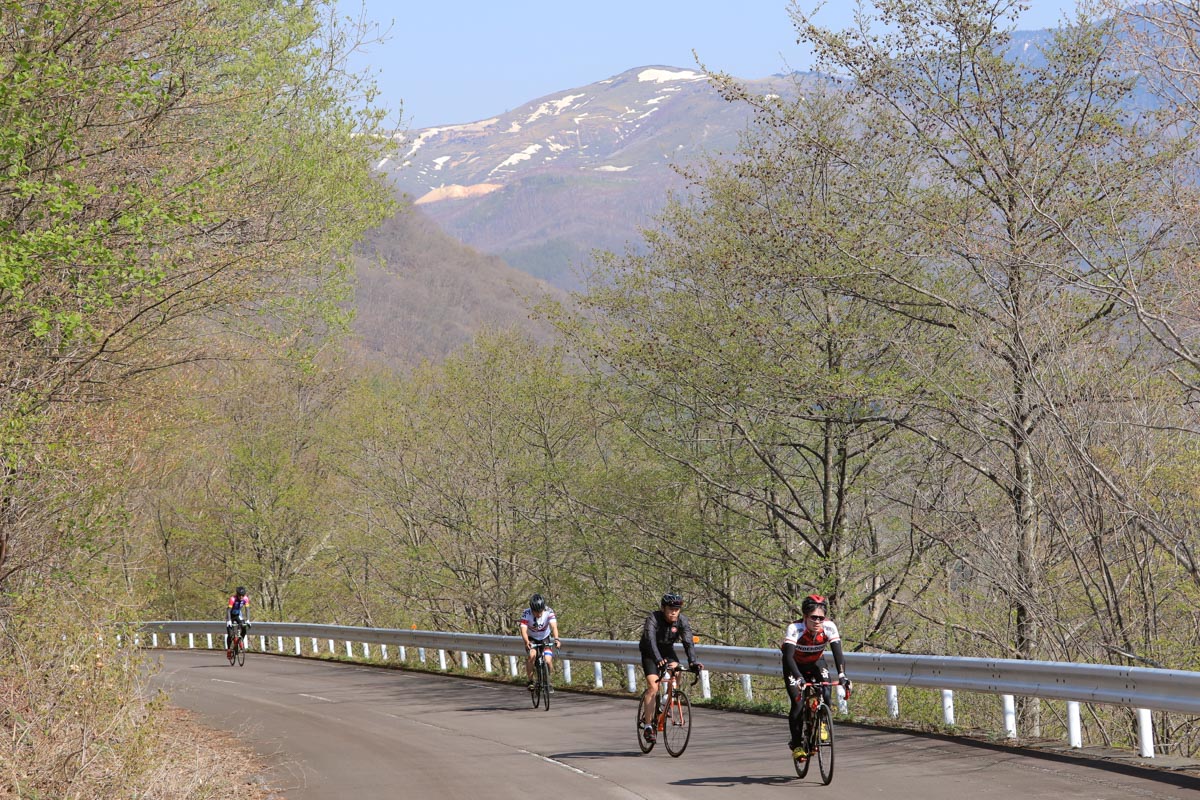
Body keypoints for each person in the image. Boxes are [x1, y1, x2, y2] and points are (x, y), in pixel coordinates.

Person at [781, 594, 851, 760]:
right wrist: (798, 678)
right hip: (794, 666)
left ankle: (822, 725)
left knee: (826, 691)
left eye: (821, 618)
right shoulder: (795, 628)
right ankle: (797, 745)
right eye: (813, 617)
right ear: (805, 616)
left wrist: (842, 675)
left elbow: (837, 653)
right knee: (798, 704)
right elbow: (788, 657)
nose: (818, 621)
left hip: (816, 662)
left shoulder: (829, 627)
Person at [638, 592, 703, 743]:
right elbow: (650, 640)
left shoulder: (682, 621)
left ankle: (666, 701)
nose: (674, 612)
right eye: (670, 609)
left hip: (667, 650)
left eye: (677, 609)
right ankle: (648, 727)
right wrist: (658, 659)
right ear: (663, 608)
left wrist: (692, 662)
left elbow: (688, 642)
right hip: (650, 651)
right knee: (653, 688)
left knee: (677, 669)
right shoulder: (653, 619)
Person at [519, 593, 560, 690]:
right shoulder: (526, 613)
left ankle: (547, 681)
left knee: (548, 661)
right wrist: (526, 642)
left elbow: (554, 626)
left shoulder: (549, 611)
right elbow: (523, 630)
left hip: (545, 637)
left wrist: (557, 639)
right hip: (531, 638)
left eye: (541, 611)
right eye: (536, 612)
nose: (539, 614)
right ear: (532, 610)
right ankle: (530, 681)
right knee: (532, 656)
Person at [226, 586, 251, 652]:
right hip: (230, 616)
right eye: (239, 595)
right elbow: (228, 610)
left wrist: (248, 620)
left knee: (244, 627)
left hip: (238, 615)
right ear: (237, 594)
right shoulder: (233, 599)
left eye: (242, 595)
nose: (241, 597)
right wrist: (228, 621)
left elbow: (247, 609)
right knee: (230, 634)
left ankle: (240, 641)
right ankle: (228, 649)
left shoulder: (246, 599)